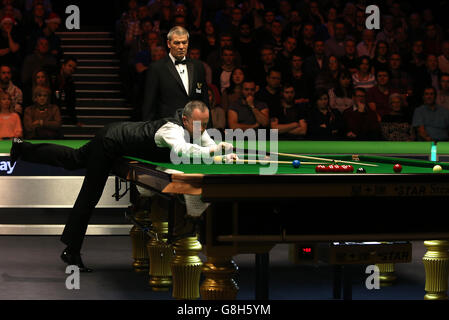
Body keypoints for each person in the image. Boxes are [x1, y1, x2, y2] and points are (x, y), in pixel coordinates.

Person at [10, 101, 237, 272]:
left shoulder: (196, 126)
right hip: (111, 142)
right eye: (199, 125)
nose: (202, 130)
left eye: (206, 125)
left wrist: (222, 152)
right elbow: (182, 151)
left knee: (73, 159)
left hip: (114, 135)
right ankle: (71, 250)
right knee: (89, 195)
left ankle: (21, 148)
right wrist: (211, 152)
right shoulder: (172, 130)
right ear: (186, 120)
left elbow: (207, 146)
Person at [141, 26, 209, 123]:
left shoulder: (198, 66)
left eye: (184, 42)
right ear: (169, 44)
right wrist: (147, 131)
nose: (181, 47)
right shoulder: (156, 68)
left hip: (196, 125)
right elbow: (149, 103)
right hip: (168, 125)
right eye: (177, 43)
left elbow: (204, 99)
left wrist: (209, 127)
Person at [52, 56, 82, 126]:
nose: (71, 69)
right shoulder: (53, 75)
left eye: (74, 68)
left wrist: (75, 121)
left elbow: (71, 102)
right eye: (69, 66)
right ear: (63, 66)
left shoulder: (70, 83)